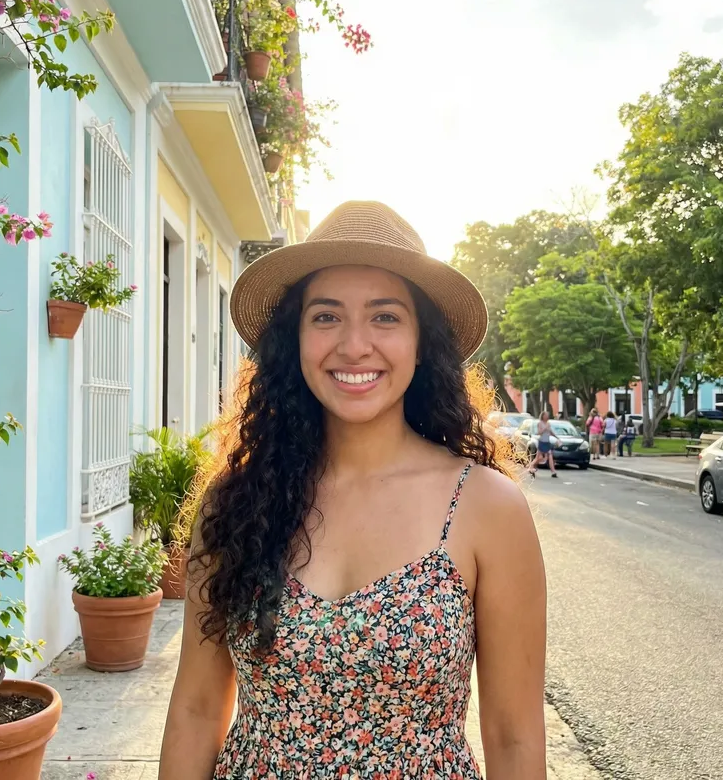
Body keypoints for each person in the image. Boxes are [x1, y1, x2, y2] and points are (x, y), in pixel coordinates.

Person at [159, 202, 547, 780]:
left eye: (385, 316)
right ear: (295, 338)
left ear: (422, 341)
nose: (355, 345)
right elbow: (195, 710)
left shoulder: (486, 507)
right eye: (326, 316)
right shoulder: (237, 502)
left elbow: (514, 738)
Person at [529, 409, 558, 478]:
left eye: (548, 415)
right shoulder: (540, 423)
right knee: (539, 458)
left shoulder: (548, 424)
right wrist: (545, 428)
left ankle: (553, 471)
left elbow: (550, 432)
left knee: (550, 456)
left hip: (547, 442)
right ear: (543, 416)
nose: (547, 416)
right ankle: (531, 466)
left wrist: (557, 437)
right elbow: (539, 433)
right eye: (546, 415)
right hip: (542, 442)